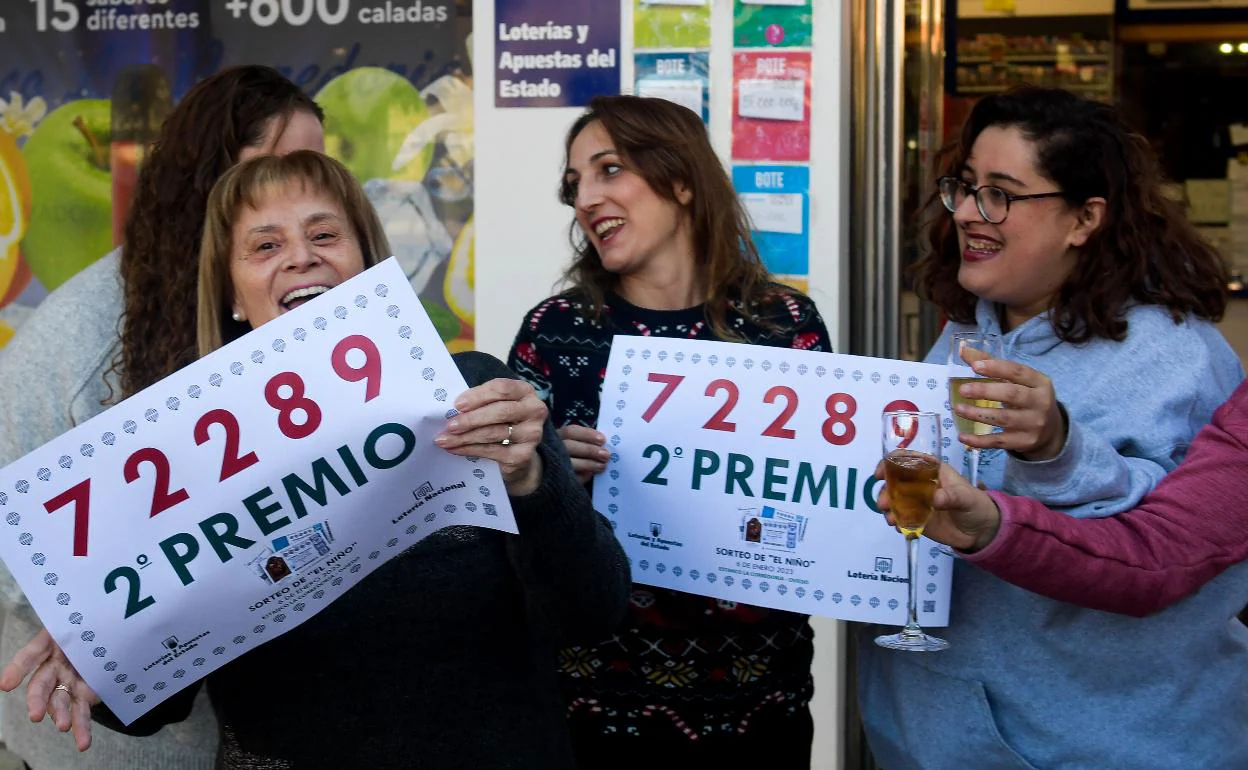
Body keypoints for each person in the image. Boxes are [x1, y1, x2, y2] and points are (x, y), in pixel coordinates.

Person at [1, 150, 631, 768]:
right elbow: (153, 708)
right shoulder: (183, 454)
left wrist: (534, 482)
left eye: (324, 233)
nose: (302, 256)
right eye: (265, 245)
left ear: (369, 262)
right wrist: (104, 641)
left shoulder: (473, 395)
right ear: (234, 295)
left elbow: (592, 611)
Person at [857, 85, 1245, 769]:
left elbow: (1168, 548)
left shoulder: (1176, 354)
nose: (972, 213)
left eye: (1002, 193)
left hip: (1105, 744)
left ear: (1083, 219)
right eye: (966, 186)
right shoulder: (962, 333)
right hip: (928, 738)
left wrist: (1057, 448)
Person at [0, 64, 328, 770]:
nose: (292, 198)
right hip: (109, 736)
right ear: (205, 184)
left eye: (314, 170)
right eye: (269, 171)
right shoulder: (89, 345)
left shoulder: (282, 308)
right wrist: (94, 610)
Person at [507, 95, 831, 767]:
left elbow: (819, 502)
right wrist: (548, 480)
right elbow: (504, 532)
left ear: (681, 180)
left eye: (609, 169)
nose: (586, 198)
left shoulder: (785, 324)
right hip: (597, 707)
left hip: (760, 702)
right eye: (576, 183)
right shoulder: (554, 330)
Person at [877, 370, 1248, 619]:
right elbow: (1161, 555)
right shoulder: (971, 331)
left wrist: (1055, 447)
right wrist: (990, 527)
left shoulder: (1182, 356)